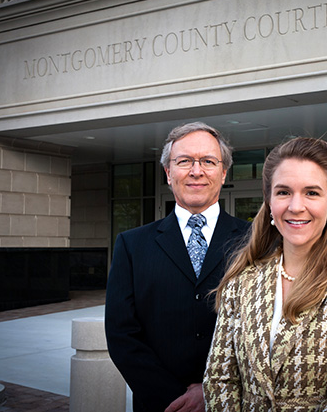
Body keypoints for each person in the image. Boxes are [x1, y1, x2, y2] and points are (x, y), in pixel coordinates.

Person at [203, 137, 327, 411]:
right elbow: (219, 379)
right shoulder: (241, 281)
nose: (296, 206)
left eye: (312, 193)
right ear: (269, 202)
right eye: (283, 192)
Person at [105, 122, 250, 412]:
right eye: (184, 161)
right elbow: (121, 335)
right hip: (161, 405)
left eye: (208, 161)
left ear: (223, 173)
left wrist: (213, 391)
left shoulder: (256, 242)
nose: (196, 171)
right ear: (169, 173)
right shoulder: (132, 245)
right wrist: (173, 397)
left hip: (234, 403)